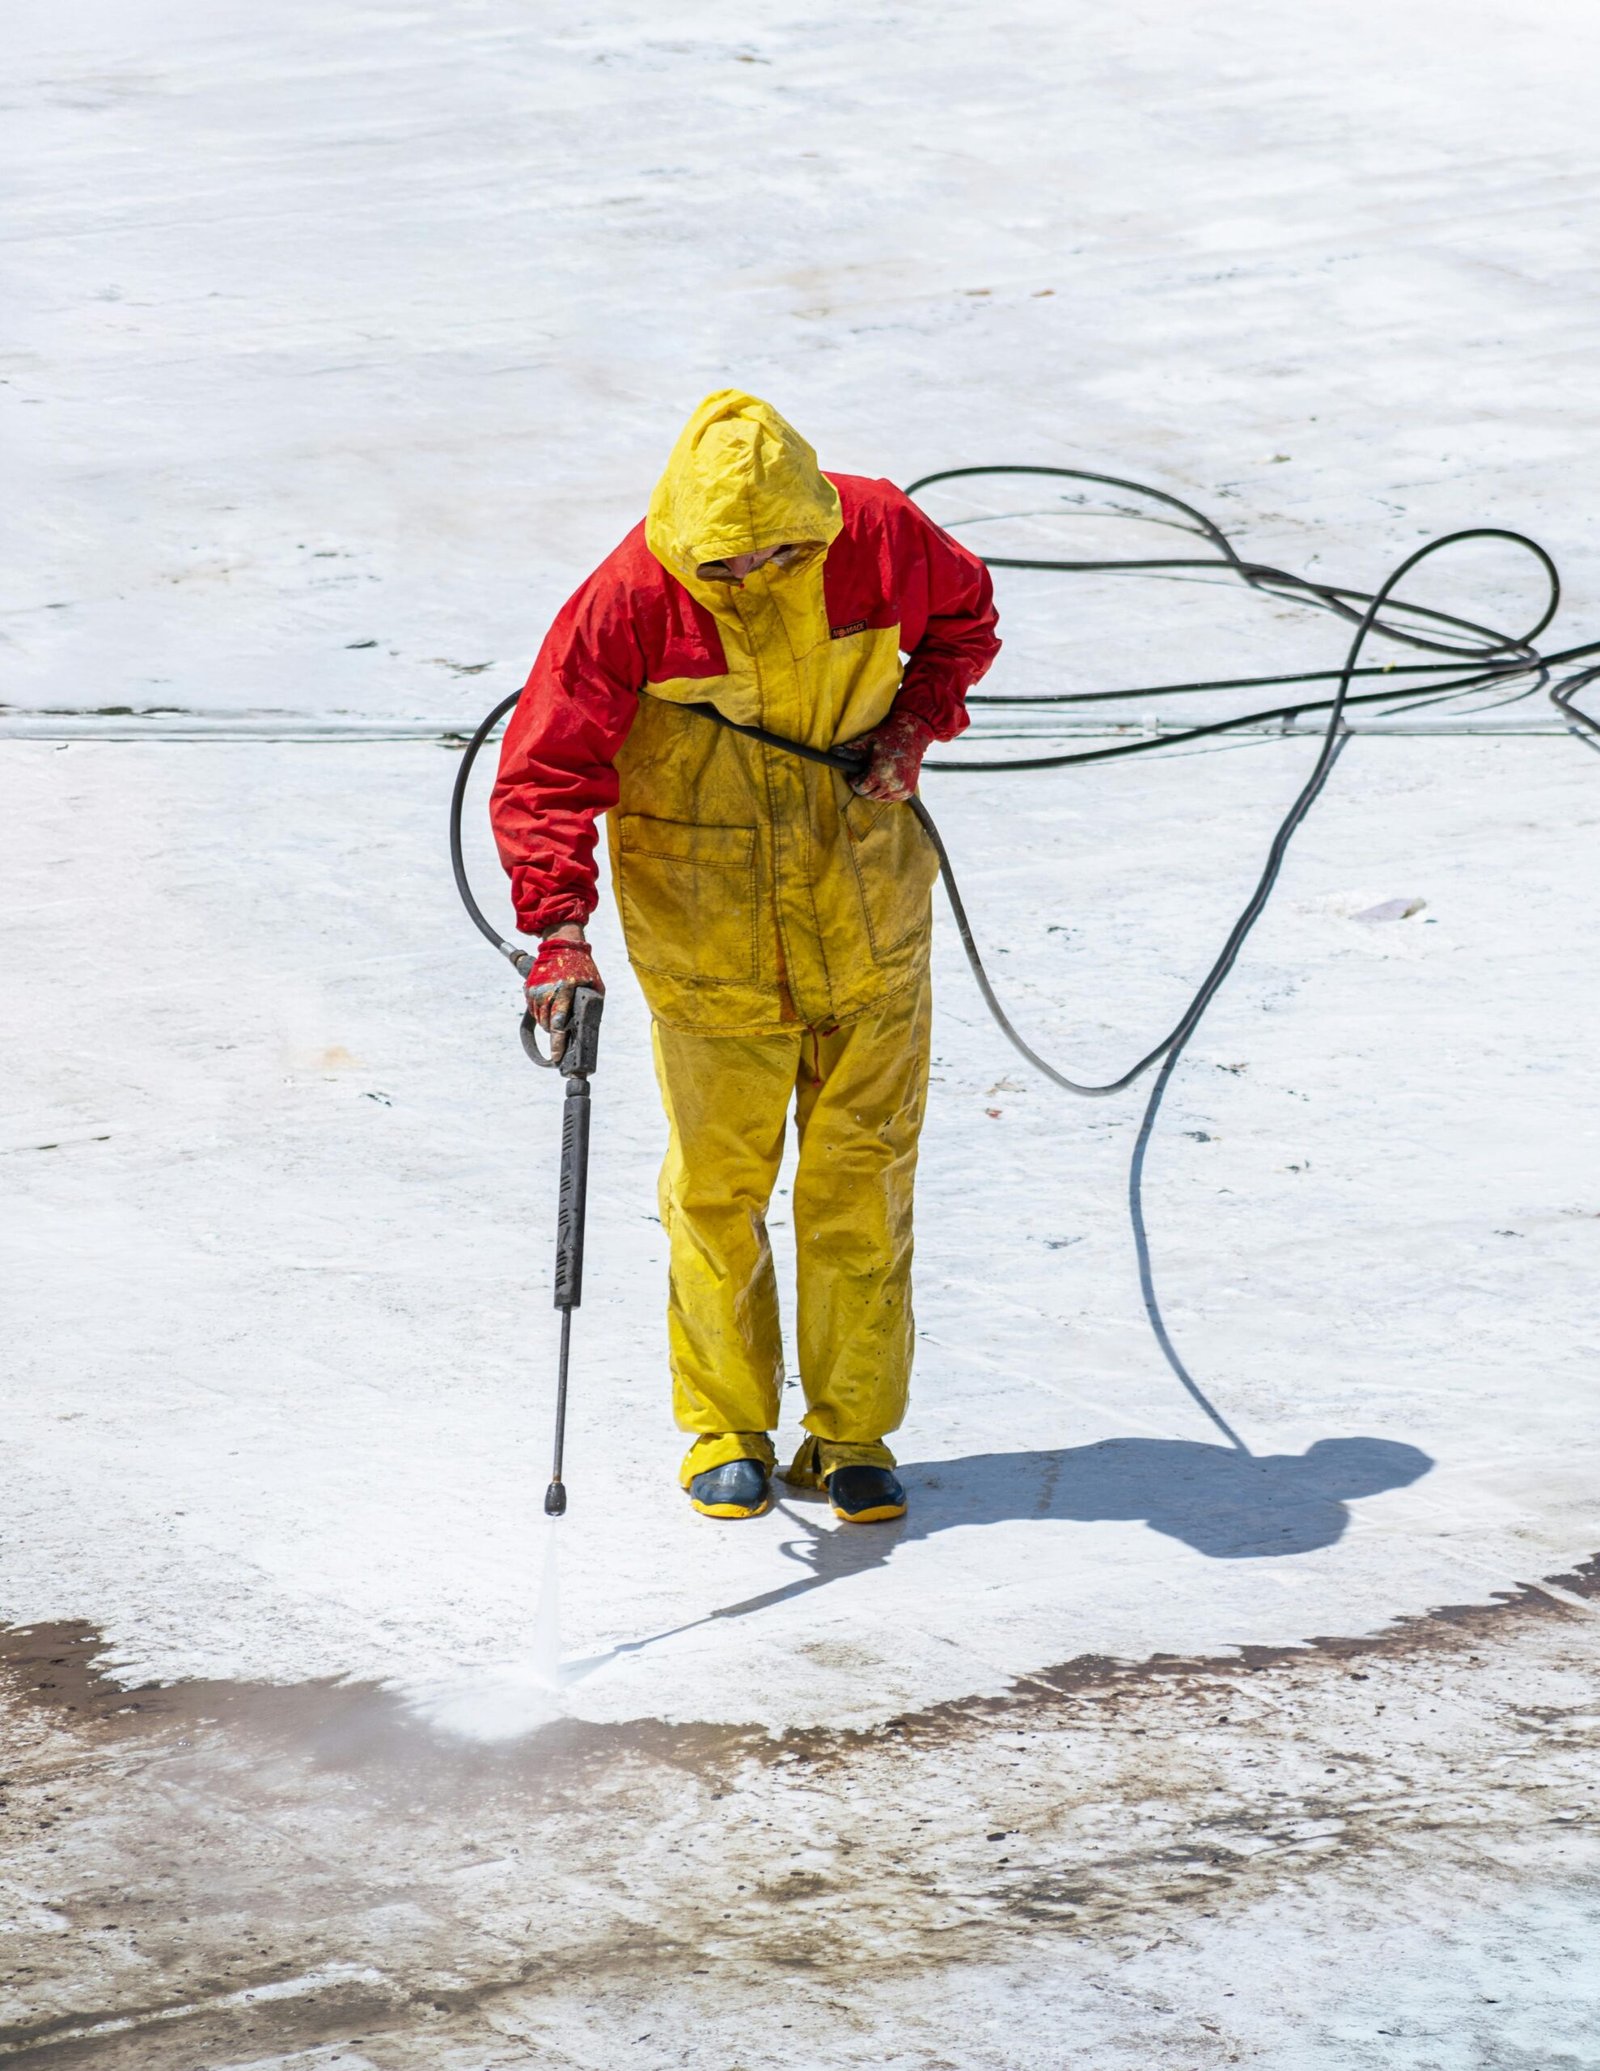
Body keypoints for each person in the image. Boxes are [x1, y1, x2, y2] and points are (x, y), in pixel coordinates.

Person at [491, 390, 999, 1523]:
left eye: (778, 548)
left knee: (860, 1181)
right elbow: (543, 772)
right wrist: (560, 933)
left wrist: (914, 723)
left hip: (868, 916)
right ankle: (726, 1423)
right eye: (726, 562)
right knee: (717, 1193)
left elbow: (966, 620)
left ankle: (852, 1433)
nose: (753, 571)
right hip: (706, 935)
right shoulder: (631, 596)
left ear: (813, 516)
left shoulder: (874, 533)